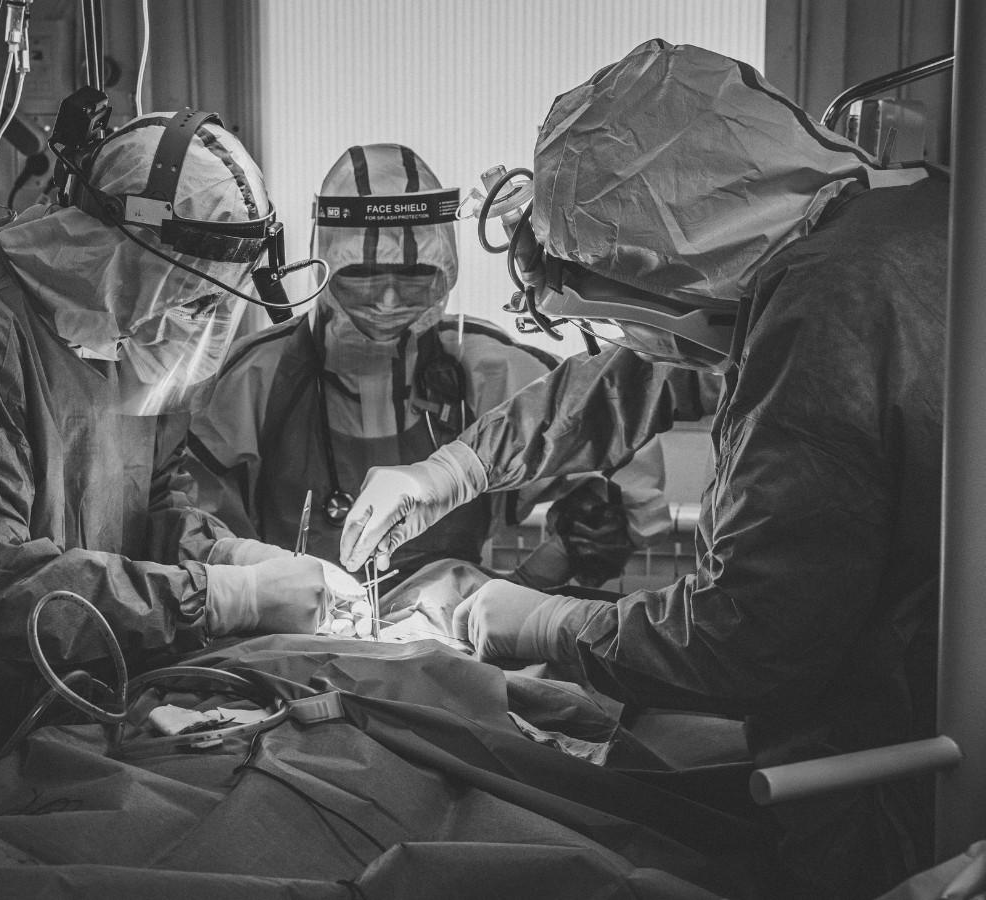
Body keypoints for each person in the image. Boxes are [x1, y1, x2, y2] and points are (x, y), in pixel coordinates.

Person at [339, 40, 945, 899]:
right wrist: (456, 466)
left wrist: (547, 624)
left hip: (905, 777)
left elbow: (751, 640)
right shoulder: (882, 215)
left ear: (661, 265)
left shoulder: (826, 311)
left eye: (614, 314)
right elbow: (644, 370)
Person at [0, 110, 341, 757]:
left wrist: (227, 558)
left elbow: (152, 501)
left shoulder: (135, 329)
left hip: (68, 704)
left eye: (215, 301)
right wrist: (215, 600)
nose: (202, 324)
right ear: (111, 251)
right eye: (188, 297)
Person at [176, 142, 670, 595]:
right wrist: (252, 593)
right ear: (324, 265)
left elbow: (618, 428)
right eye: (365, 277)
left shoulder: (487, 366)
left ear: (446, 270)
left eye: (414, 277)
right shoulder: (257, 376)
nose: (389, 302)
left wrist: (537, 580)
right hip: (287, 636)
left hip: (450, 640)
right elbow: (193, 523)